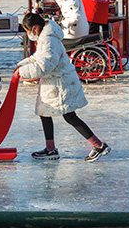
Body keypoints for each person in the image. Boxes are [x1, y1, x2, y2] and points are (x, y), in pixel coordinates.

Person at [18, 13, 110, 163]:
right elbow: (38, 57)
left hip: (61, 84)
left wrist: (22, 72)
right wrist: (22, 64)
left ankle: (99, 145)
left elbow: (45, 65)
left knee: (69, 116)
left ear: (35, 28)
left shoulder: (49, 40)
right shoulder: (45, 37)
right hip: (53, 83)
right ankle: (50, 149)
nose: (28, 34)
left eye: (27, 30)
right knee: (44, 112)